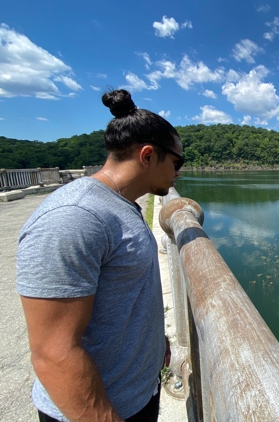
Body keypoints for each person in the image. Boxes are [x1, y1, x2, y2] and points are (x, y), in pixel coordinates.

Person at [16, 89, 184, 422]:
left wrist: (153, 341)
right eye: (177, 162)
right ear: (148, 156)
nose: (179, 172)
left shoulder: (120, 207)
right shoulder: (75, 216)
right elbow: (53, 351)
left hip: (135, 395)